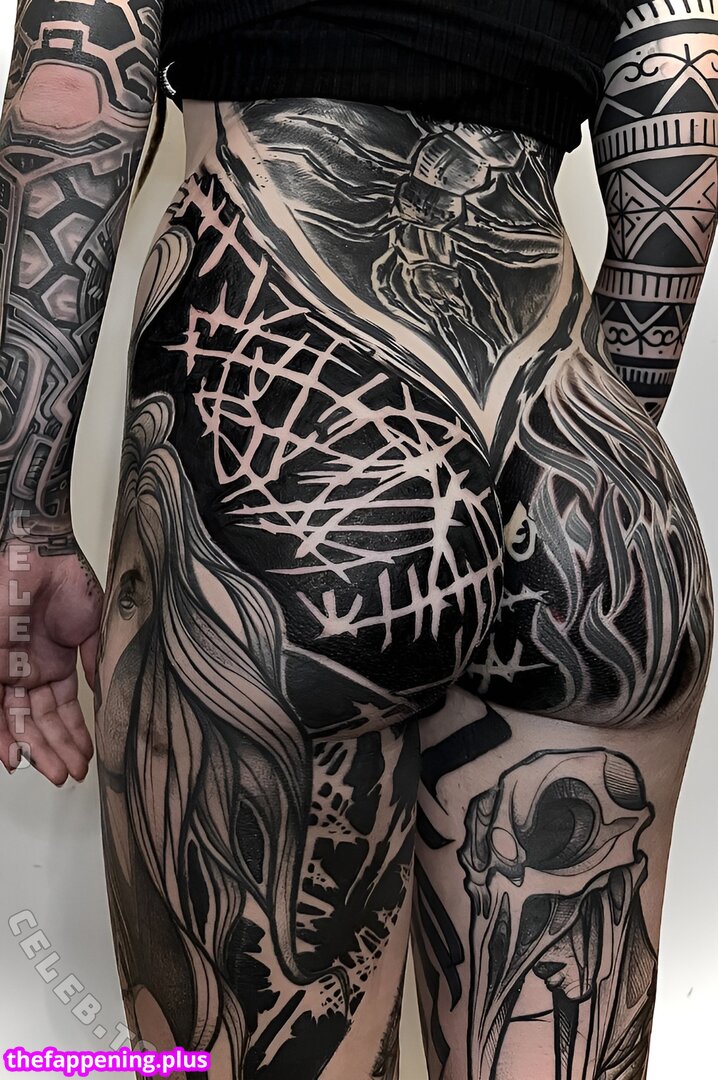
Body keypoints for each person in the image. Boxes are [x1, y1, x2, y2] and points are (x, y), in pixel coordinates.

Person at [0, 1, 716, 1077]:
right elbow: (682, 132)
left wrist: (25, 520)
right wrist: (580, 483)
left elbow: (68, 102)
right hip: (591, 486)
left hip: (292, 466)